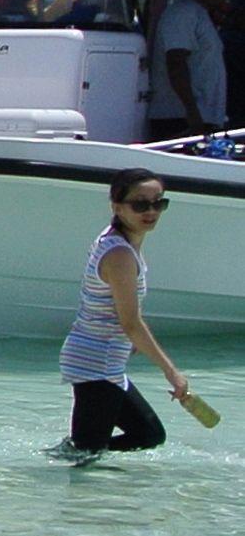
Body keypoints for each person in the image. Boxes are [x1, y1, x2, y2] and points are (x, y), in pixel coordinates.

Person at [61, 169, 192, 455]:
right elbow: (131, 322)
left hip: (101, 357)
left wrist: (127, 340)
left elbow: (111, 309)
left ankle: (66, 460)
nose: (151, 211)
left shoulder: (118, 241)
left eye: (158, 203)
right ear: (117, 207)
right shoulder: (119, 255)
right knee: (86, 456)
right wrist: (172, 373)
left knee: (148, 434)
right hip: (96, 363)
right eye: (140, 204)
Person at [152, 0, 228, 136]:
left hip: (204, 115)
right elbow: (176, 62)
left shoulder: (201, 14)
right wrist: (192, 112)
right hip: (179, 117)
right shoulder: (183, 13)